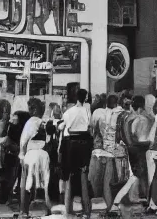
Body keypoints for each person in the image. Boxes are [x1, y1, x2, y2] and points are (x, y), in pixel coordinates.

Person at [61, 88, 94, 218]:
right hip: (84, 144)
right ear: (85, 97)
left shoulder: (69, 112)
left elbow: (66, 128)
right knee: (83, 176)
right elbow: (89, 128)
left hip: (71, 144)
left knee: (69, 177)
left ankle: (68, 210)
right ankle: (86, 211)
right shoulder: (86, 111)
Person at [115, 95, 153, 208]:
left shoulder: (127, 118)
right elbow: (135, 137)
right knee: (142, 174)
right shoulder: (144, 118)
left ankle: (134, 197)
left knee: (137, 174)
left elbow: (127, 136)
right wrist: (147, 143)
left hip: (132, 148)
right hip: (140, 148)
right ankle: (144, 197)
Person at [19, 97, 53, 216]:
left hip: (31, 154)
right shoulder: (44, 122)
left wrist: (21, 156)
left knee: (26, 183)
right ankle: (47, 209)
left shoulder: (30, 122)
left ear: (33, 110)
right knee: (45, 182)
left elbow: (23, 141)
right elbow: (49, 141)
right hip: (44, 155)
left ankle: (24, 210)